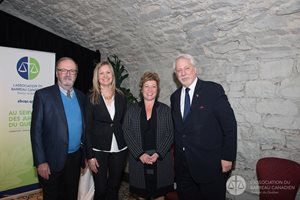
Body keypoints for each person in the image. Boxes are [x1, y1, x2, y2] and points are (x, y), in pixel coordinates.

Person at [170, 54, 237, 200]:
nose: (183, 73)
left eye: (186, 68)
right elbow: (179, 130)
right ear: (176, 75)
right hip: (183, 168)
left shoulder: (212, 90)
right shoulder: (174, 97)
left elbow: (229, 126)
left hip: (210, 165)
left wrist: (227, 157)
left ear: (195, 69)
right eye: (179, 70)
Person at [30, 57, 86, 200]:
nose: (68, 74)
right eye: (63, 70)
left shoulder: (82, 96)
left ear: (76, 74)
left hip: (74, 159)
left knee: (70, 195)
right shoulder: (43, 95)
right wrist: (40, 161)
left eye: (72, 71)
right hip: (51, 160)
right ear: (57, 73)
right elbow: (35, 131)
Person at [123, 72, 174, 200]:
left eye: (153, 86)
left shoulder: (165, 110)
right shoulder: (132, 110)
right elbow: (127, 131)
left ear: (157, 89)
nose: (150, 90)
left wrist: (159, 153)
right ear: (141, 89)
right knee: (142, 195)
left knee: (159, 195)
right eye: (146, 86)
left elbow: (171, 132)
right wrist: (140, 154)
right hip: (139, 159)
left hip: (161, 159)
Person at [85, 61, 128, 200]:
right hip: (98, 149)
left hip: (119, 148)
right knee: (101, 189)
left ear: (112, 75)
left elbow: (124, 122)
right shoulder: (91, 97)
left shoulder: (120, 96)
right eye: (101, 73)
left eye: (108, 72)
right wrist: (90, 155)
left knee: (114, 187)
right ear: (97, 77)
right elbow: (87, 128)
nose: (105, 76)